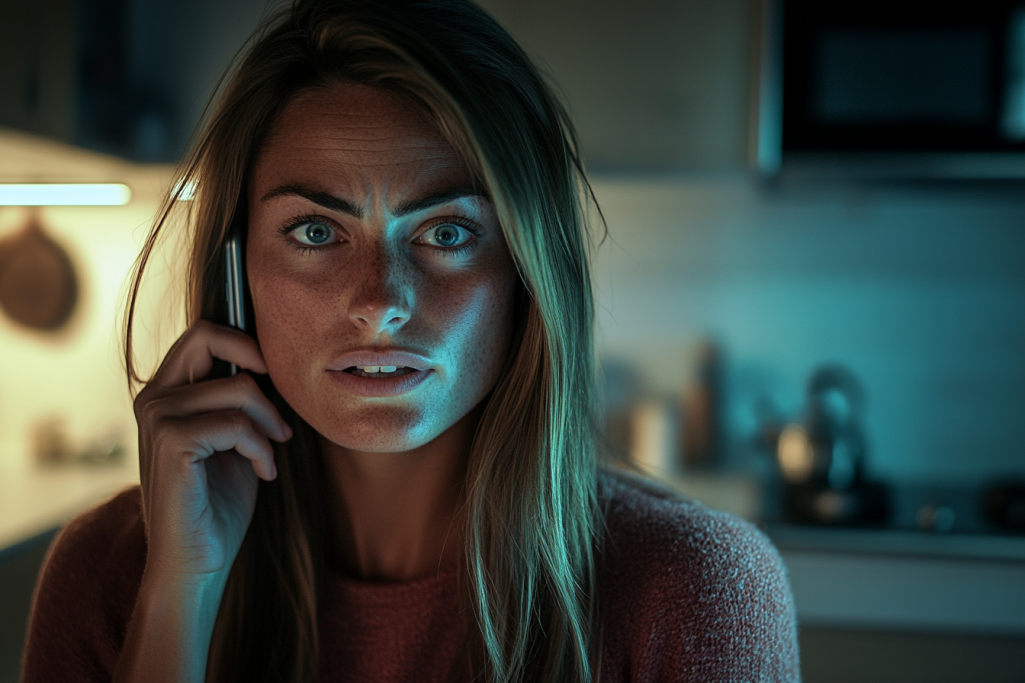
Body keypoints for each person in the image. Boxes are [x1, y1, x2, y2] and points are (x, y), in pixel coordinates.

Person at [21, 1, 800, 681]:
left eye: (447, 231)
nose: (379, 303)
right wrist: (182, 593)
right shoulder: (109, 573)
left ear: (529, 276)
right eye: (316, 230)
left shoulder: (694, 587)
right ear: (236, 271)